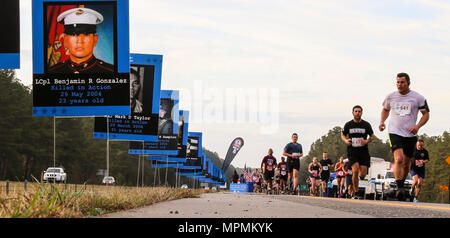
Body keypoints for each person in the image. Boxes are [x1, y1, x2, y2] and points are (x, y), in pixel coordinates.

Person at [379, 72, 430, 201]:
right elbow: (385, 109)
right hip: (395, 131)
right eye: (397, 82)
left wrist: (417, 126)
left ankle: (401, 186)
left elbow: (426, 114)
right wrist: (382, 122)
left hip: (410, 134)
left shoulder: (418, 98)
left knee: (407, 163)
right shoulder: (390, 97)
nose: (399, 85)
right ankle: (399, 187)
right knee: (399, 159)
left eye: (402, 82)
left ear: (408, 83)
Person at [48, 7, 114, 74]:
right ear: (65, 40)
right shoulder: (52, 72)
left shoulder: (111, 72)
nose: (80, 40)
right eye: (73, 34)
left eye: (86, 34)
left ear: (95, 40)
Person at [341, 105, 376, 199]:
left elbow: (372, 136)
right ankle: (356, 192)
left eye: (359, 111)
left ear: (361, 113)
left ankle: (353, 183)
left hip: (363, 151)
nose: (357, 113)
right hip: (352, 151)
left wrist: (366, 141)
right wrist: (346, 141)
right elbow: (343, 135)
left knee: (362, 174)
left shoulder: (366, 125)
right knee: (355, 171)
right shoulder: (348, 124)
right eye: (356, 111)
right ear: (353, 113)